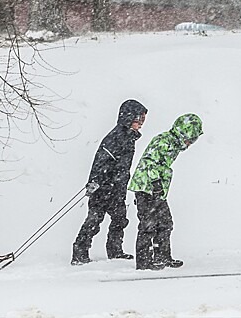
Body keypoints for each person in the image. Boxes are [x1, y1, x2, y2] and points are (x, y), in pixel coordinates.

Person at [71, 99, 148, 265]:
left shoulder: (129, 137)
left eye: (143, 120)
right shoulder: (115, 137)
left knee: (120, 219)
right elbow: (101, 160)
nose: (141, 124)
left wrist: (121, 183)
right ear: (128, 118)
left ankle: (115, 250)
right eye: (138, 119)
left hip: (117, 188)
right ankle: (79, 252)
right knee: (94, 220)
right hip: (103, 187)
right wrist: (95, 181)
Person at [128, 113, 203, 270]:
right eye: (190, 138)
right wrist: (155, 182)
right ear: (183, 132)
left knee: (165, 223)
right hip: (145, 187)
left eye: (194, 140)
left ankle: (162, 257)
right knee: (148, 225)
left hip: (157, 190)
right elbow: (149, 161)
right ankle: (144, 263)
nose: (190, 143)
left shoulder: (174, 144)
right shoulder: (163, 141)